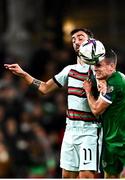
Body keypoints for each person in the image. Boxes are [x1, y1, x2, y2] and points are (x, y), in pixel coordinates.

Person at [4, 28, 103, 178]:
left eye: (80, 37)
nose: (76, 41)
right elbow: (44, 88)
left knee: (86, 176)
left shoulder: (99, 71)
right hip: (70, 130)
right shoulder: (69, 70)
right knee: (67, 176)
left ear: (92, 42)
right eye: (73, 39)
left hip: (89, 131)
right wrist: (24, 74)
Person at [83, 48, 125, 178]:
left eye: (98, 65)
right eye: (93, 66)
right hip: (110, 140)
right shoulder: (107, 81)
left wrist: (88, 91)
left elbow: (96, 110)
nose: (95, 69)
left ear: (111, 66)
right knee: (110, 177)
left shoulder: (117, 81)